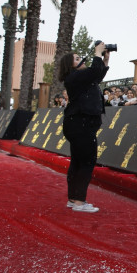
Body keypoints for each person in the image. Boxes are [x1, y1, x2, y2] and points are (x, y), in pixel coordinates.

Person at [57, 42, 110, 213]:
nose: (82, 60)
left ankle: (73, 199)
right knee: (86, 161)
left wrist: (105, 60)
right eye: (78, 59)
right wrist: (96, 53)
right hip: (81, 124)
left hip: (80, 124)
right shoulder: (73, 78)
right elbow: (93, 72)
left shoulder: (80, 79)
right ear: (70, 65)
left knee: (78, 161)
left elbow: (96, 76)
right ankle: (79, 201)